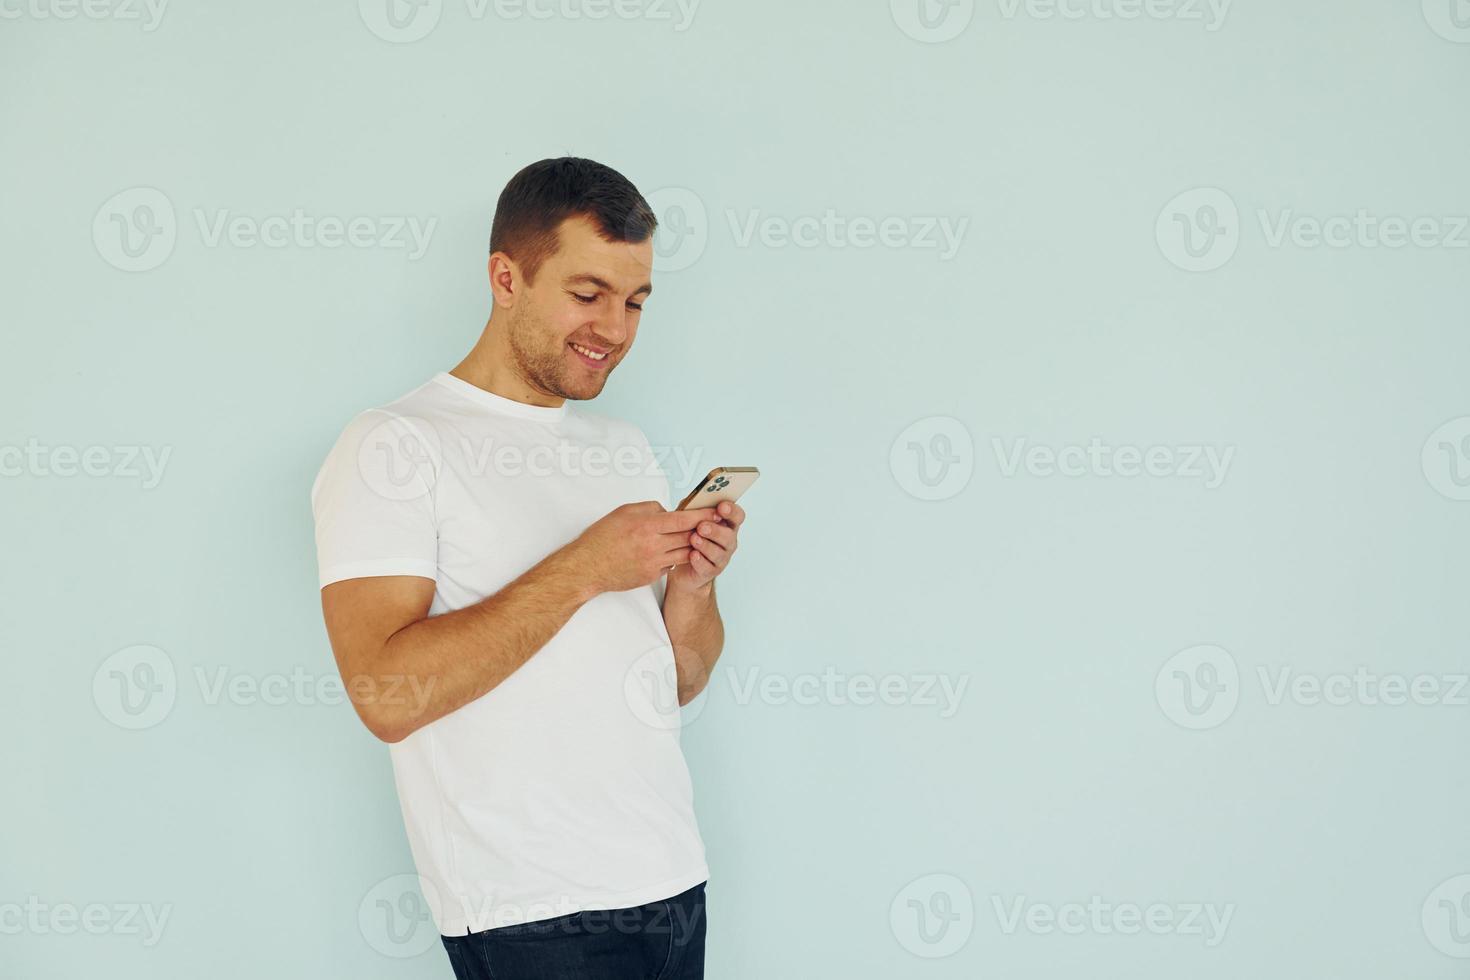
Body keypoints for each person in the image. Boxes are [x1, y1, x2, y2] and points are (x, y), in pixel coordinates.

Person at [310, 157, 744, 980]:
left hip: (672, 884)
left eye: (636, 301)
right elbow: (385, 696)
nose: (615, 328)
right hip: (531, 912)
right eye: (588, 295)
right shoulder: (395, 446)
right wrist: (584, 568)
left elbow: (677, 681)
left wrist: (695, 585)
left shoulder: (623, 449)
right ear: (505, 277)